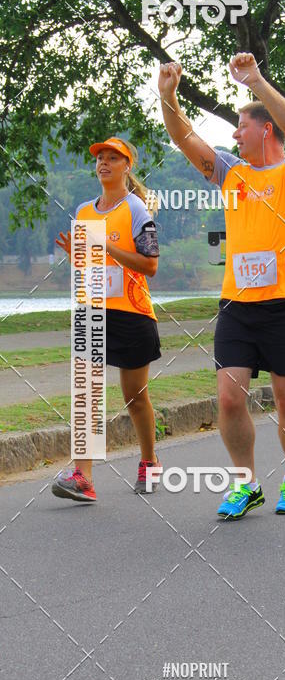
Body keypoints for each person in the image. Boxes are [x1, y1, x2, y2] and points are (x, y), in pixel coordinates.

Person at [159, 53, 285, 519]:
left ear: (266, 130)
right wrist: (168, 97)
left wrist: (256, 82)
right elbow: (185, 138)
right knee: (229, 398)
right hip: (236, 306)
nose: (234, 135)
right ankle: (246, 483)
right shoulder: (232, 173)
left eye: (241, 127)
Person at [52, 137, 162, 502]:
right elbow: (87, 265)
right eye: (101, 157)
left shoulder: (136, 209)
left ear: (126, 166)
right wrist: (76, 255)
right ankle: (83, 477)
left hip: (131, 313)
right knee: (86, 392)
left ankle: (149, 461)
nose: (104, 163)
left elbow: (150, 265)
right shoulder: (84, 211)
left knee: (135, 397)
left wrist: (107, 246)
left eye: (113, 158)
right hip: (91, 311)